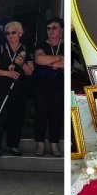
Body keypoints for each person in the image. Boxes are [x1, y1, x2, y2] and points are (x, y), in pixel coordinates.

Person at [0, 21, 34, 156]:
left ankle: (13, 145)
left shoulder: (25, 49)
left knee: (16, 116)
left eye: (13, 32)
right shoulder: (1, 48)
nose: (10, 35)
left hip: (19, 89)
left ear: (20, 33)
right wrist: (8, 73)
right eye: (7, 33)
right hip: (0, 88)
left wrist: (23, 64)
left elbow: (30, 71)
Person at [33, 18, 64, 157]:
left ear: (61, 29)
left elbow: (68, 63)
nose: (51, 31)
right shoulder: (41, 45)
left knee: (56, 114)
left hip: (59, 85)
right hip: (42, 85)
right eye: (48, 28)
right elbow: (39, 60)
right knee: (40, 113)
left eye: (55, 27)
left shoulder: (67, 45)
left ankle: (54, 144)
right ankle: (40, 143)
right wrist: (59, 59)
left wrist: (51, 61)